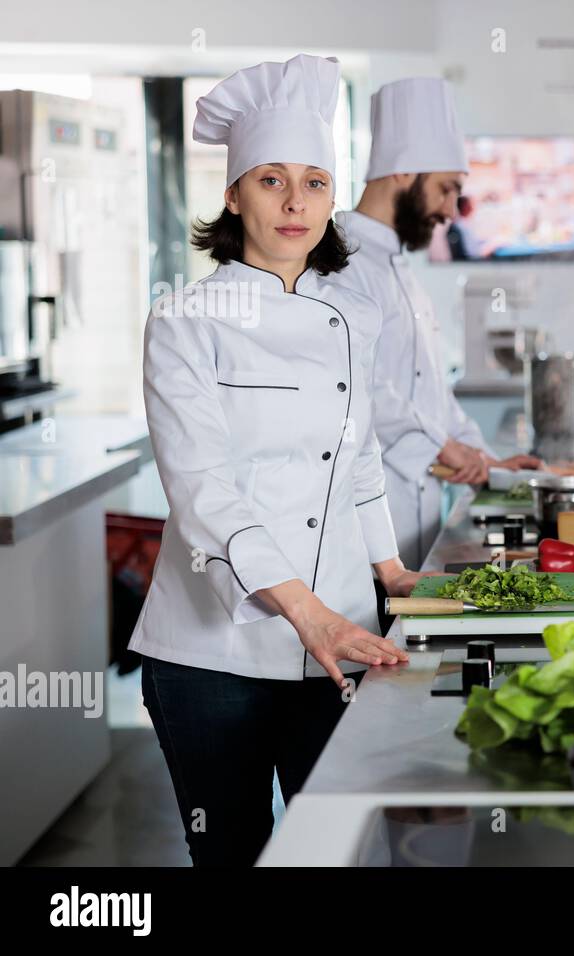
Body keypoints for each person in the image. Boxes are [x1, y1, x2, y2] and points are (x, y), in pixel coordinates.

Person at [129, 54, 427, 866]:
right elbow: (203, 494)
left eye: (316, 182)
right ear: (233, 194)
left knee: (336, 849)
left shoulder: (353, 315)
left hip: (341, 636)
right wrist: (308, 612)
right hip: (209, 655)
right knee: (232, 854)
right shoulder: (185, 319)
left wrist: (392, 572)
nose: (297, 203)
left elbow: (358, 458)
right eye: (270, 180)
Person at [333, 77, 540, 570]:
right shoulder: (340, 262)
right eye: (447, 190)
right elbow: (359, 386)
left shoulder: (402, 269)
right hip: (365, 528)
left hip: (418, 519)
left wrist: (485, 459)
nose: (451, 211)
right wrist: (443, 448)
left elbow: (432, 397)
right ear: (403, 172)